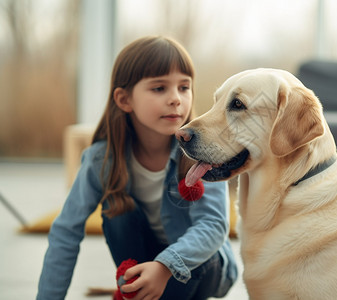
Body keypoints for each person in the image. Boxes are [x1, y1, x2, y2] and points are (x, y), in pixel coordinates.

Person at [37, 36, 237, 300]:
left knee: (197, 256)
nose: (176, 99)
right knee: (115, 216)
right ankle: (138, 288)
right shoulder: (101, 160)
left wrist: (165, 266)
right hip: (146, 261)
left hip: (205, 265)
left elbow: (213, 226)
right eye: (159, 88)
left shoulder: (203, 152)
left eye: (184, 87)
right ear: (124, 99)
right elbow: (66, 231)